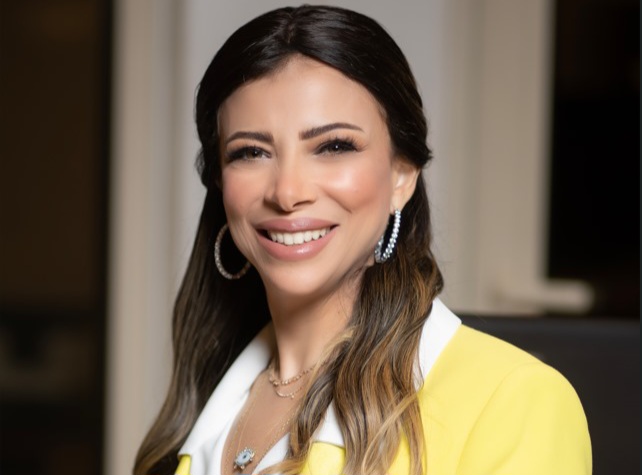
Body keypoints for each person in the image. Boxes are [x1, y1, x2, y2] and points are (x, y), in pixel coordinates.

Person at [134, 5, 591, 475]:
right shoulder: (203, 408)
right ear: (220, 183)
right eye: (251, 152)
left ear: (402, 175)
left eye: (334, 146)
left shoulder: (514, 403)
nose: (287, 193)